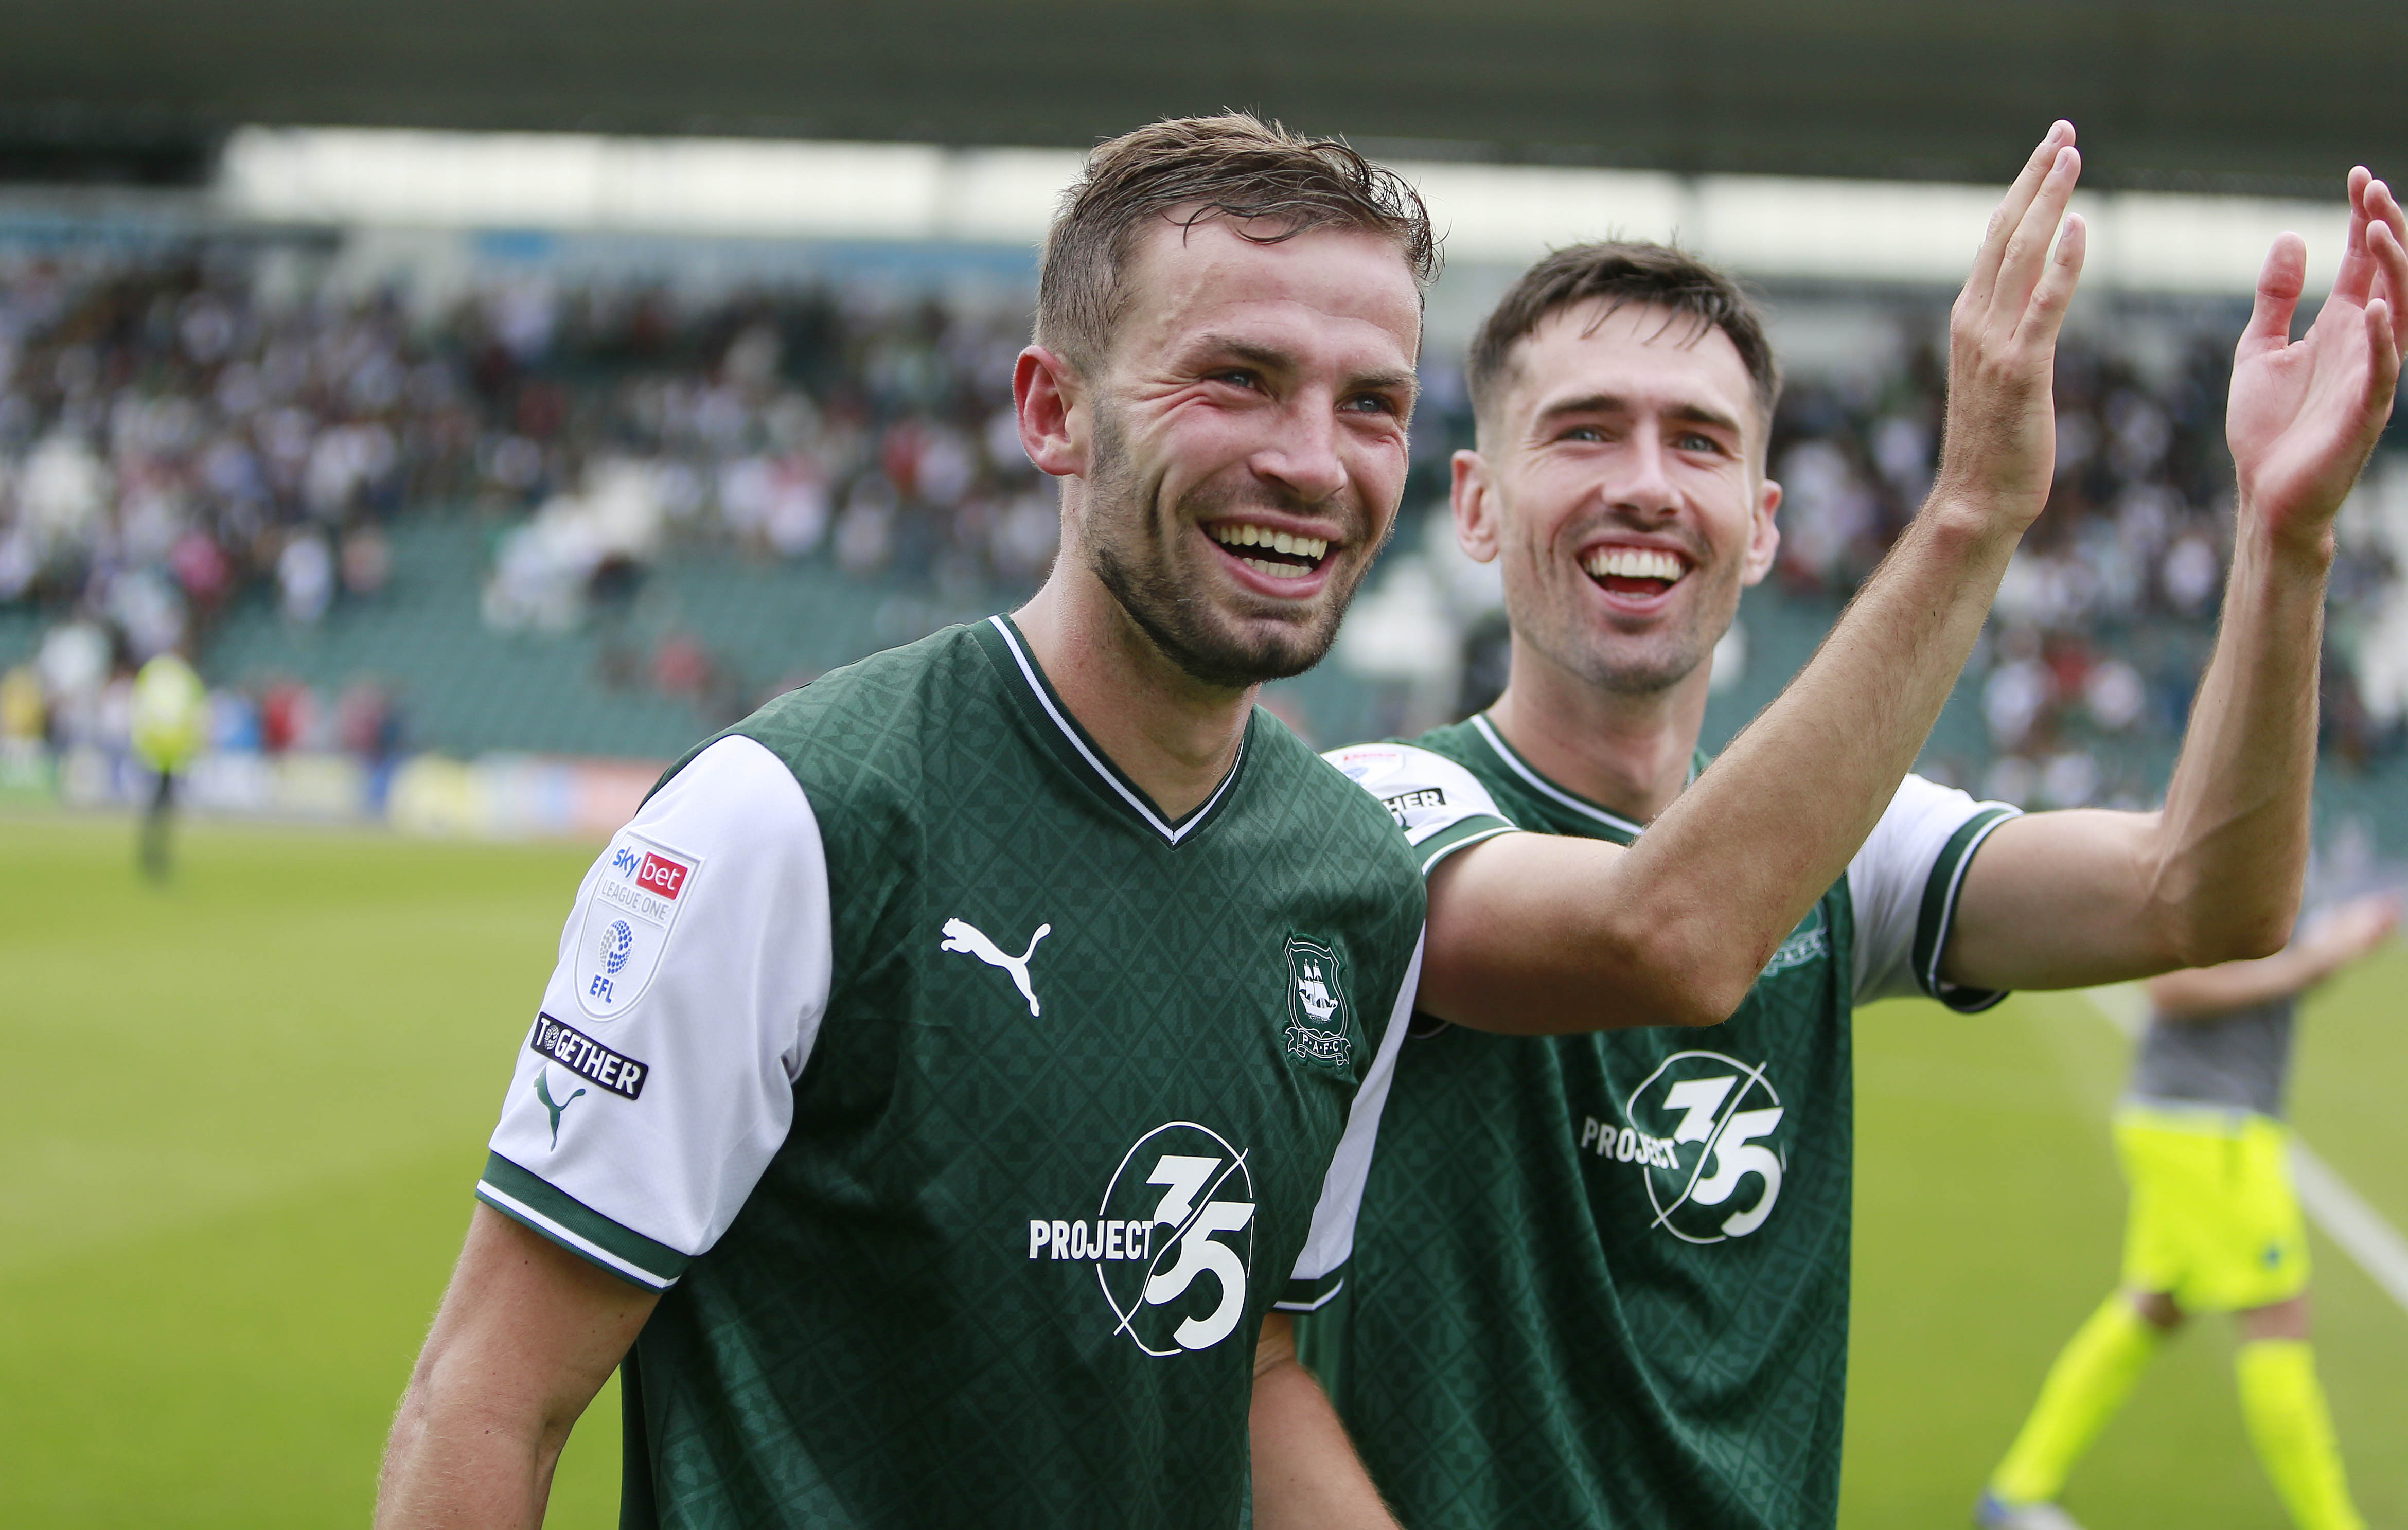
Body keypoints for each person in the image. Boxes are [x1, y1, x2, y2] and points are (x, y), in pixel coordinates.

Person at [378, 113, 2099, 1529]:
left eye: (1368, 406)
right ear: (1056, 412)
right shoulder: (801, 822)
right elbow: (489, 1399)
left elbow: (1252, 1365)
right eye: (1240, 381)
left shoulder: (1348, 885)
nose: (1312, 458)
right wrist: (1968, 514)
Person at [1295, 140, 2408, 1528]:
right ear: (1473, 501)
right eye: (1584, 429)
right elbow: (1669, 931)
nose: (1645, 483)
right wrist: (1969, 509)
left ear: (1762, 528)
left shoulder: (1850, 848)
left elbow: (2202, 896)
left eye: (1698, 440)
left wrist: (2284, 541)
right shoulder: (1367, 811)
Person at [1979, 893, 2400, 1530]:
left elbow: (2262, 981)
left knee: (2155, 1305)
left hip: (2195, 1122)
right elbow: (2172, 988)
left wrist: (2336, 946)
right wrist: (2313, 962)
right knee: (2276, 1313)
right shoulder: (2226, 858)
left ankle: (2018, 1488)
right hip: (2209, 1129)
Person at [128, 648, 207, 880]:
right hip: (172, 752)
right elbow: (197, 714)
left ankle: (152, 852)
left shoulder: (152, 673)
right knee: (164, 805)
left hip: (156, 750)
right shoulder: (186, 678)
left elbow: (138, 708)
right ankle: (156, 853)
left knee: (157, 805)